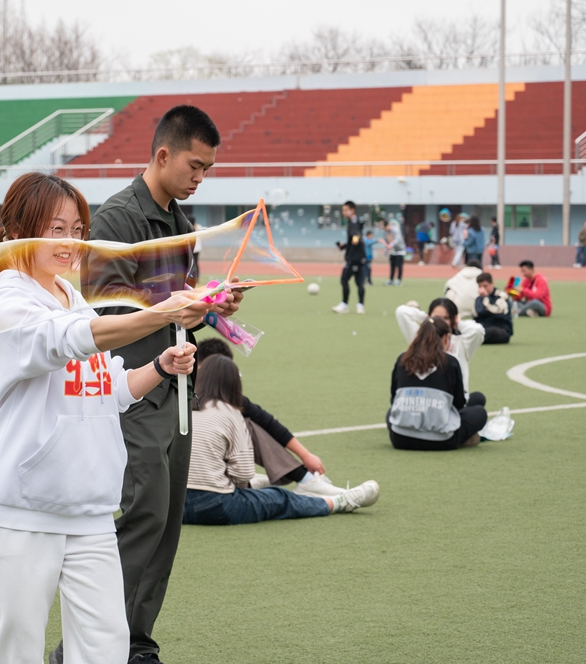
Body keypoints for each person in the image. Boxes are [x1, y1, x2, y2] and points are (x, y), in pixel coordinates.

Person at [0, 172, 204, 664]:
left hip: (91, 511)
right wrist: (164, 312)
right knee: (18, 652)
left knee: (105, 649)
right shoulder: (7, 302)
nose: (70, 242)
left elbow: (107, 388)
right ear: (17, 231)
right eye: (55, 229)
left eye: (78, 230)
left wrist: (160, 367)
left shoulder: (70, 296)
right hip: (24, 512)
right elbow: (80, 339)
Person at [75, 104, 242, 664]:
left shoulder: (183, 224)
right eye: (196, 166)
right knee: (142, 513)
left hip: (176, 388)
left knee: (168, 521)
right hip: (130, 386)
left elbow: (183, 301)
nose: (201, 177)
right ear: (163, 154)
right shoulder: (117, 219)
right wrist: (177, 302)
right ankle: (90, 646)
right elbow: (100, 303)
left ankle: (134, 642)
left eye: (208, 170)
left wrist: (214, 304)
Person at [183, 355, 379, 526]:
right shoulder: (232, 414)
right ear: (235, 385)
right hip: (216, 506)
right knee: (281, 499)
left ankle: (273, 483)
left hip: (174, 508)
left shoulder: (181, 408)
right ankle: (340, 502)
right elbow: (242, 474)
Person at [195, 338, 367, 496]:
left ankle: (304, 480)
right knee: (279, 500)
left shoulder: (226, 399)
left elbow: (267, 422)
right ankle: (320, 492)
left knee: (250, 424)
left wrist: (306, 455)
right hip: (202, 490)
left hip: (192, 489)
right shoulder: (179, 392)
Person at [387, 316, 488, 451]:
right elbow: (458, 403)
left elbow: (394, 400)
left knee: (390, 413)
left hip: (400, 439)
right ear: (446, 337)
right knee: (479, 411)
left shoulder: (402, 359)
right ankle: (465, 438)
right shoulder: (451, 361)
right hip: (442, 441)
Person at [396, 297, 485, 402]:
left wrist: (459, 323)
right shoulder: (419, 340)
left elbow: (477, 330)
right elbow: (401, 312)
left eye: (446, 318)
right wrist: (428, 320)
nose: (441, 322)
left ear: (453, 319)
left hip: (453, 402)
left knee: (478, 399)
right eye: (437, 317)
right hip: (427, 401)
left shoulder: (461, 344)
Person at [333, 200, 367, 314]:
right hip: (361, 257)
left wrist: (354, 241)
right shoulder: (356, 221)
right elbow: (356, 237)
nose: (343, 212)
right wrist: (345, 246)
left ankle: (344, 305)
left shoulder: (353, 222)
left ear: (352, 210)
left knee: (344, 280)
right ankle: (360, 306)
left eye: (345, 210)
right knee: (359, 282)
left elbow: (356, 236)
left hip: (353, 258)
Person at [474, 272, 513, 344]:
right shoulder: (479, 298)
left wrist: (485, 298)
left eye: (485, 286)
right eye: (480, 287)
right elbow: (479, 311)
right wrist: (483, 298)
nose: (482, 289)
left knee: (491, 332)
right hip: (483, 327)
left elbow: (499, 314)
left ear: (492, 284)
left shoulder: (501, 296)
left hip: (501, 329)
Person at [386, 218, 405, 285]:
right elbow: (388, 241)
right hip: (393, 251)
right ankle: (391, 280)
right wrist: (387, 249)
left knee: (399, 266)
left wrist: (391, 245)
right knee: (392, 266)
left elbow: (397, 239)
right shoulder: (388, 232)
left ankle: (399, 280)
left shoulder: (396, 230)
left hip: (400, 251)